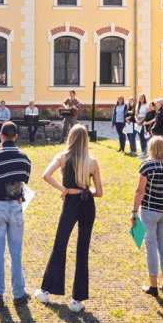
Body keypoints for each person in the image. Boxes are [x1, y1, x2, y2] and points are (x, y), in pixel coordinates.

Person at [33, 125, 103, 311]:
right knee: (82, 250)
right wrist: (86, 191)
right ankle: (77, 301)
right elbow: (100, 192)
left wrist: (63, 189)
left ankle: (46, 291)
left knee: (60, 244)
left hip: (70, 203)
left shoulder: (62, 158)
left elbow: (45, 175)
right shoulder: (92, 162)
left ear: (70, 138)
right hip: (87, 204)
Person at [0, 120, 31, 304]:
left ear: (1, 136)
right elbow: (24, 179)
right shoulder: (24, 158)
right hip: (17, 207)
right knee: (16, 251)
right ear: (16, 137)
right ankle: (19, 293)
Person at [132, 135, 163, 296]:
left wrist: (133, 210)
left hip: (150, 209)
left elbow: (140, 190)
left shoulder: (147, 165)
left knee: (150, 246)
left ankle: (153, 286)